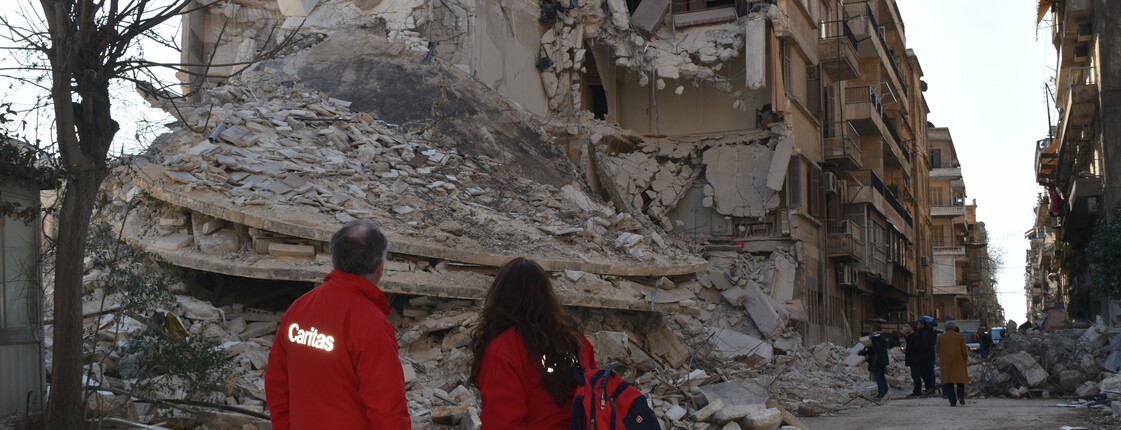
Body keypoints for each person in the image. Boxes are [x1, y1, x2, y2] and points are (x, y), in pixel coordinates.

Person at [265, 221, 410, 429]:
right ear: (380, 267)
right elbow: (387, 409)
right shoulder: (371, 324)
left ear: (335, 258)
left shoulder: (299, 309)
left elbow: (277, 384)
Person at [471, 258, 598, 429]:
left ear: (500, 296)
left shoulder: (503, 349)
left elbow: (501, 422)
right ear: (547, 295)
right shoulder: (573, 337)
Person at [935, 321, 970, 406]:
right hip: (959, 361)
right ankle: (960, 396)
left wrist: (938, 359)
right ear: (954, 328)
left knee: (948, 381)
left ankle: (952, 401)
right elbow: (964, 350)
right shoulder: (960, 337)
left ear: (945, 328)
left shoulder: (940, 337)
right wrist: (965, 358)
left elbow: (937, 350)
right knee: (960, 380)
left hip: (946, 362)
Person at [858, 323, 890, 400]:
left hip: (877, 359)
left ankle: (881, 394)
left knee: (878, 376)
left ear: (874, 329)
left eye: (871, 328)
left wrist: (866, 350)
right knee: (882, 376)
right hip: (883, 359)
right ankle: (885, 391)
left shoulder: (875, 337)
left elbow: (876, 348)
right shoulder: (882, 336)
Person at [915, 316, 938, 394]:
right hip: (928, 355)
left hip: (925, 356)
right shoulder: (930, 332)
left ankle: (930, 388)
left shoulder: (924, 333)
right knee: (929, 372)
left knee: (927, 372)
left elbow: (924, 346)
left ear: (922, 325)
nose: (917, 326)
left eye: (918, 324)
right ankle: (930, 388)